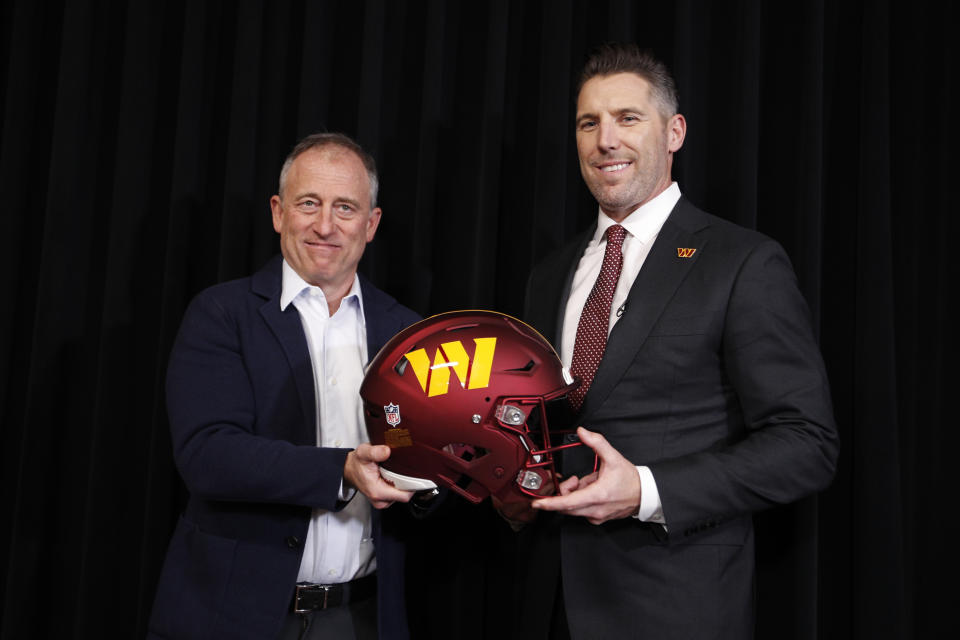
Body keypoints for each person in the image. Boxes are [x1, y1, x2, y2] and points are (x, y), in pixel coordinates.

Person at [517, 43, 840, 638]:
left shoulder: (742, 262)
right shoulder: (550, 273)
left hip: (672, 607)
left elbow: (806, 443)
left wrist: (644, 489)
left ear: (674, 132)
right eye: (589, 123)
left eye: (627, 118)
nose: (605, 140)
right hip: (546, 601)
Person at [148, 133, 420, 640]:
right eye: (308, 204)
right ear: (278, 212)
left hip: (361, 619)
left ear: (371, 224)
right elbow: (207, 454)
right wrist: (341, 469)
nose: (324, 225)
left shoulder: (411, 334)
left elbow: (425, 465)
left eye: (345, 207)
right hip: (232, 617)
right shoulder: (221, 315)